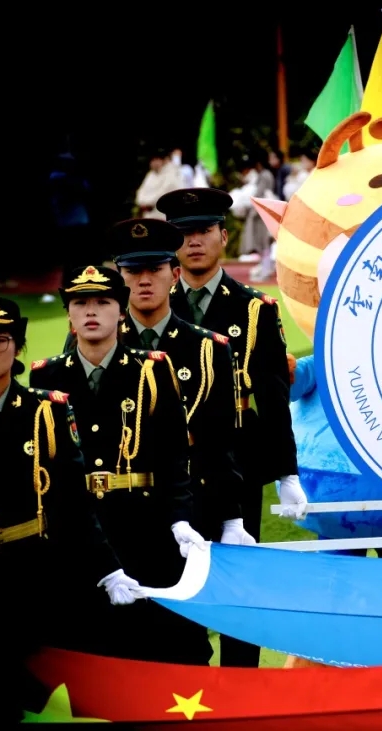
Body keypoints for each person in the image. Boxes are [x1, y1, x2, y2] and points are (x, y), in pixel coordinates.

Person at [0, 297, 141, 722]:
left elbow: (74, 502)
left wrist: (108, 569)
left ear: (17, 346)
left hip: (31, 578)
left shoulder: (48, 410)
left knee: (37, 698)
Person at [29, 265, 212, 665]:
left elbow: (174, 458)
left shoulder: (152, 369)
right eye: (80, 303)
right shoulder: (47, 376)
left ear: (121, 310)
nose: (91, 311)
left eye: (102, 302)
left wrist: (180, 519)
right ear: (69, 314)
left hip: (145, 525)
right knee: (90, 650)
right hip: (81, 532)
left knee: (168, 645)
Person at [157, 187, 306, 668]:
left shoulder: (253, 308)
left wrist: (286, 472)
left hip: (238, 463)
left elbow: (273, 398)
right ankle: (189, 686)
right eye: (183, 233)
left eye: (203, 230)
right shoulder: (152, 308)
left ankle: (242, 685)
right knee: (178, 576)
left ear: (224, 236)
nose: (193, 241)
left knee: (240, 584)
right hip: (169, 463)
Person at [106, 217, 254, 549]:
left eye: (154, 269)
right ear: (119, 279)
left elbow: (220, 440)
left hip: (196, 502)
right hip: (120, 507)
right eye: (133, 271)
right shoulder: (97, 345)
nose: (144, 280)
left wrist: (232, 518)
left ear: (174, 275)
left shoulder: (208, 348)